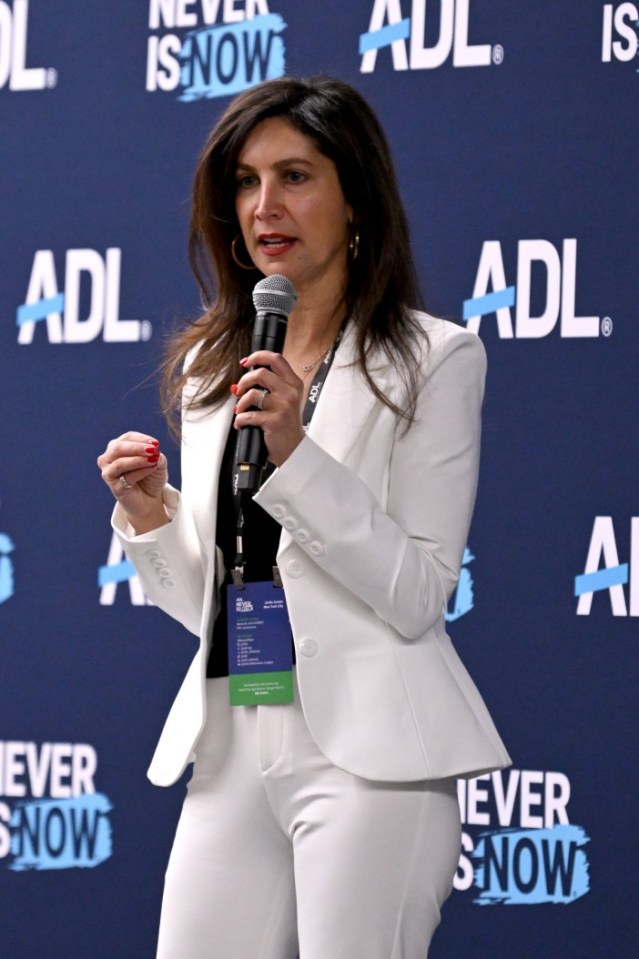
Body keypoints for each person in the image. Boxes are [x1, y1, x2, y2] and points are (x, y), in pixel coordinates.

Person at [97, 76, 510, 959]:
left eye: (294, 175)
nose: (263, 205)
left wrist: (297, 457)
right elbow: (204, 603)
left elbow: (417, 593)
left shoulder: (434, 360)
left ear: (355, 196)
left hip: (371, 759)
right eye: (245, 182)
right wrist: (148, 520)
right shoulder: (220, 367)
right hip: (233, 736)